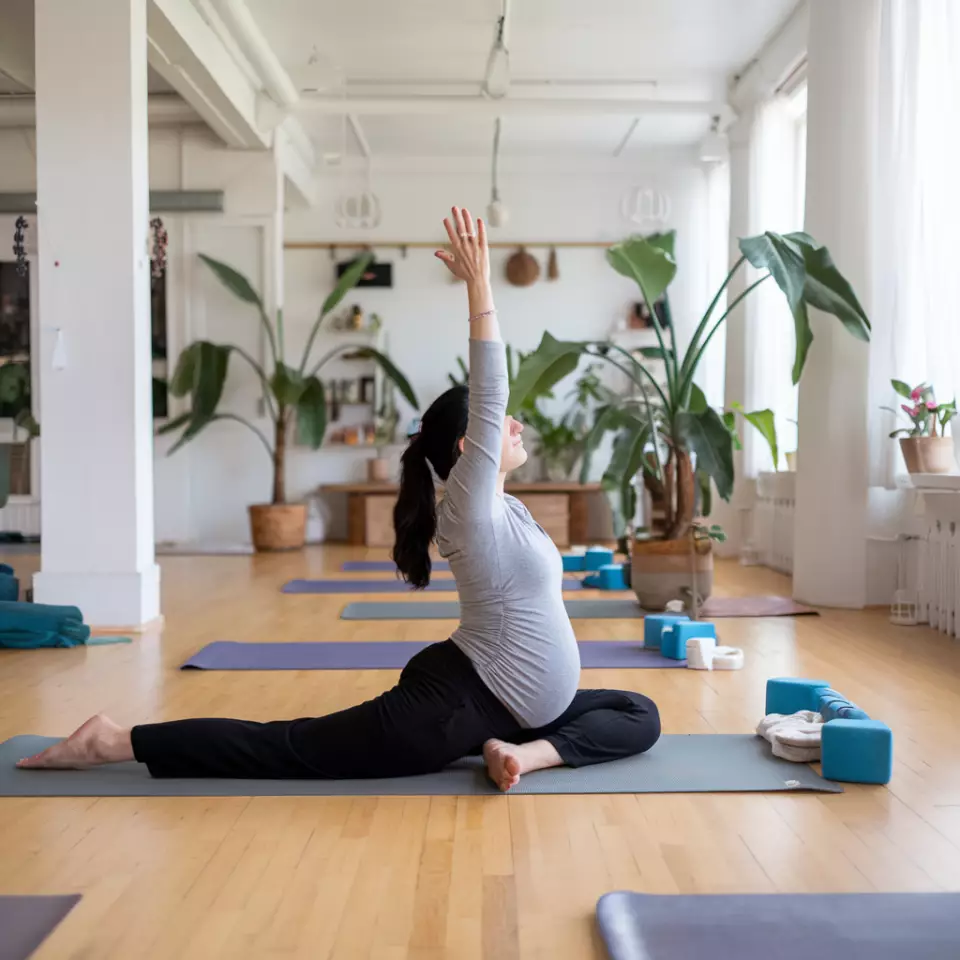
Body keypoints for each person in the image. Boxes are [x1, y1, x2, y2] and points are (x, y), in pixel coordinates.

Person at [16, 207, 660, 791]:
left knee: (640, 713)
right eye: (502, 424)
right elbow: (490, 392)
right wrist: (478, 286)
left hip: (515, 709)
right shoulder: (469, 508)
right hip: (456, 705)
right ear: (472, 447)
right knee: (291, 747)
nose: (515, 425)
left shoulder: (507, 506)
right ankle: (112, 740)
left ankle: (529, 754)